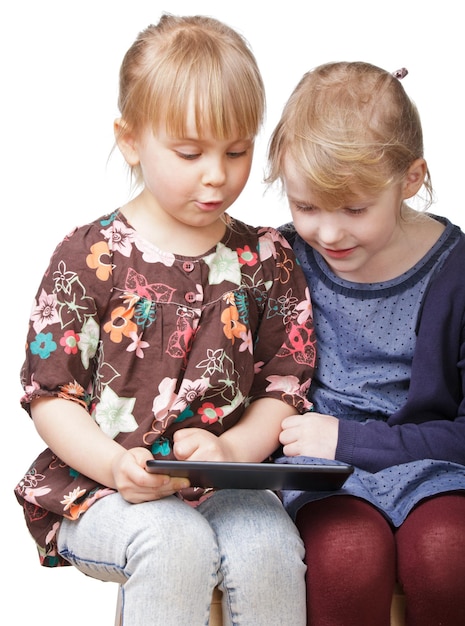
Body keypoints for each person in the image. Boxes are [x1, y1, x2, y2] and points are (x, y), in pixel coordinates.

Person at [14, 14, 316, 626]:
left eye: (237, 150)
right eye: (189, 152)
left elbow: (284, 387)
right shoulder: (88, 256)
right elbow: (51, 396)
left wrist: (228, 449)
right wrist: (112, 464)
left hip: (226, 483)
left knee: (270, 551)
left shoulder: (266, 259)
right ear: (130, 140)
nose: (217, 173)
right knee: (173, 545)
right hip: (100, 487)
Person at [266, 61, 465, 626]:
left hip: (436, 468)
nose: (328, 233)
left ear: (411, 179)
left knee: (448, 555)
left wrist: (348, 439)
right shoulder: (283, 260)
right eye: (305, 207)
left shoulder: (457, 270)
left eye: (354, 209)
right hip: (321, 477)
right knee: (347, 559)